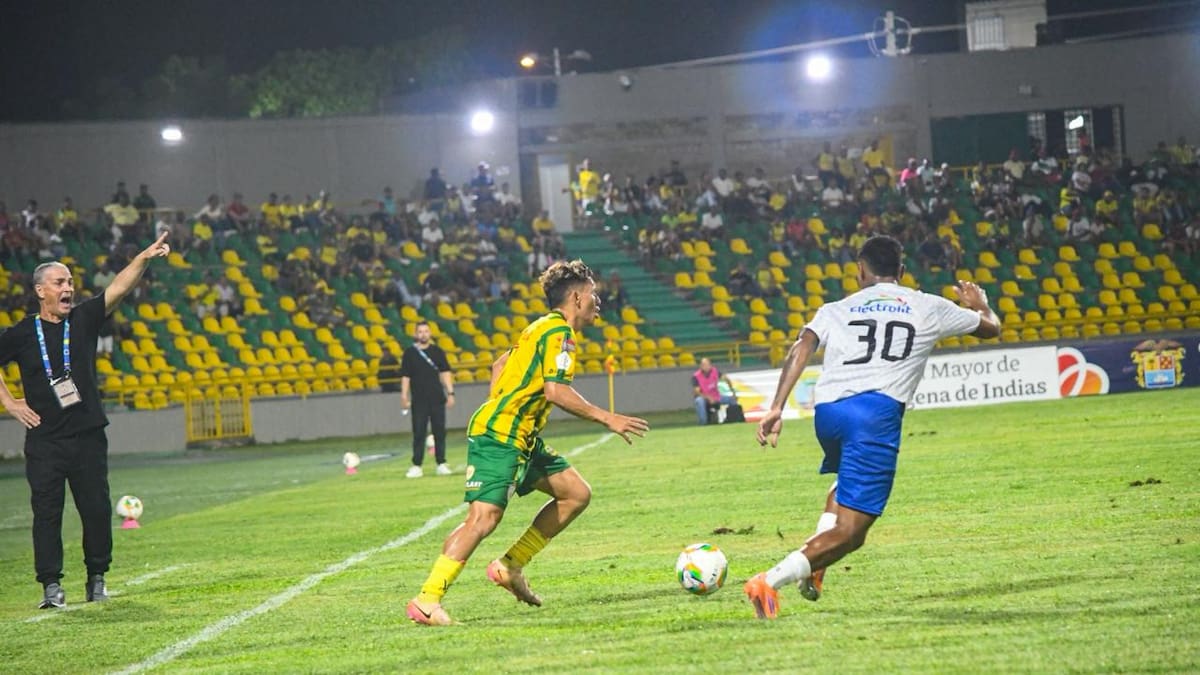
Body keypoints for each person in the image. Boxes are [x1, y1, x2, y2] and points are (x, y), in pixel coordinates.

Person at [743, 235, 999, 619]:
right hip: (873, 414)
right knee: (851, 532)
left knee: (844, 482)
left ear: (861, 270)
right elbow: (990, 328)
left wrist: (776, 407)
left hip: (828, 413)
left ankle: (816, 566)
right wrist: (981, 306)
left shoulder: (836, 307)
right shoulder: (927, 305)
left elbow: (802, 347)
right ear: (902, 271)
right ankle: (768, 581)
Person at [407, 260, 650, 626]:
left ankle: (510, 566)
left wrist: (504, 404)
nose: (598, 301)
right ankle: (427, 599)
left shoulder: (539, 327)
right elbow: (555, 391)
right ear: (575, 296)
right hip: (501, 435)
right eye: (593, 294)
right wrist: (607, 417)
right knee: (483, 518)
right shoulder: (560, 335)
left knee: (575, 494)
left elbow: (500, 364)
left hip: (519, 435)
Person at [0, 232, 171, 609]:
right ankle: (51, 587)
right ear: (40, 290)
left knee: (95, 509)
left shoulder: (83, 319)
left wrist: (143, 257)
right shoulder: (24, 333)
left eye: (71, 282)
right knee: (46, 514)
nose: (68, 288)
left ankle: (97, 579)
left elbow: (118, 289)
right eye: (60, 283)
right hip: (44, 440)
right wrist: (10, 403)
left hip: (88, 435)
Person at [400, 321, 455, 478]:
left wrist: (450, 393)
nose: (423, 334)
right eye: (420, 331)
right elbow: (405, 376)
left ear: (430, 333)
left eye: (426, 331)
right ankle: (417, 465)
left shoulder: (437, 351)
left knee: (439, 432)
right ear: (416, 334)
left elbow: (445, 373)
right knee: (418, 432)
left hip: (437, 398)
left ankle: (441, 463)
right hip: (418, 400)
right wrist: (404, 395)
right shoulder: (409, 353)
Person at [691, 357, 738, 424]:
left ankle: (734, 419)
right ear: (700, 366)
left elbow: (726, 379)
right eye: (703, 365)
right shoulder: (696, 376)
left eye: (707, 364)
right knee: (699, 401)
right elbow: (697, 392)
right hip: (703, 397)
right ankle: (703, 422)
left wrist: (732, 391)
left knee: (732, 399)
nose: (705, 367)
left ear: (710, 365)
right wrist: (708, 398)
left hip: (716, 396)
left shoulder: (715, 371)